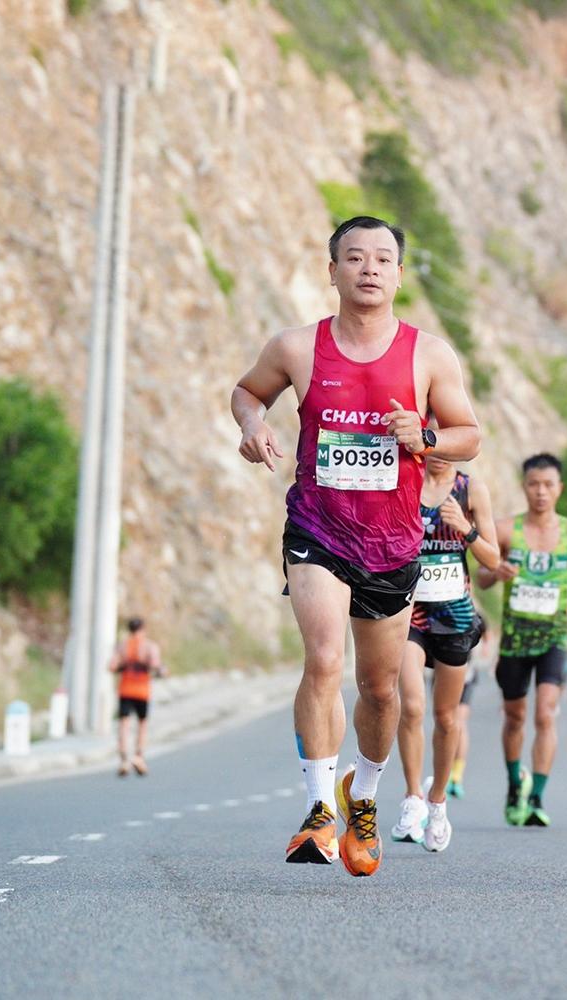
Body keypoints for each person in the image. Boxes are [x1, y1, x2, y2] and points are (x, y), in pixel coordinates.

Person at [231, 215, 481, 876]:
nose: (369, 268)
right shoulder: (297, 347)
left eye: (382, 259)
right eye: (355, 257)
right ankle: (318, 810)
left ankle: (361, 795)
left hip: (393, 543)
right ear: (333, 270)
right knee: (323, 659)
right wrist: (254, 426)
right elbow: (248, 392)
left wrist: (425, 437)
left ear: (399, 274)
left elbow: (469, 435)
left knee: (379, 689)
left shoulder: (429, 355)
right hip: (317, 527)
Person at [478, 453, 567, 828]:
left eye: (548, 485)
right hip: (515, 638)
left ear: (559, 488)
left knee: (545, 713)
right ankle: (516, 783)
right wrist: (496, 572)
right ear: (524, 487)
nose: (541, 492)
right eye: (534, 484)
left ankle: (537, 797)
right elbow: (481, 576)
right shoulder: (505, 531)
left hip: (554, 636)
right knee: (515, 717)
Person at [388, 457, 501, 851]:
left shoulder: (471, 490)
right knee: (411, 706)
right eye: (429, 438)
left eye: (446, 441)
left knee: (447, 717)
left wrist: (466, 529)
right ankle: (412, 798)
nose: (436, 449)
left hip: (454, 616)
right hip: (410, 613)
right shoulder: (405, 480)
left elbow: (493, 560)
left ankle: (437, 802)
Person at [108, 617, 164, 777]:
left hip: (125, 689)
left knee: (123, 724)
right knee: (142, 724)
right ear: (143, 629)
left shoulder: (122, 646)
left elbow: (112, 666)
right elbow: (155, 665)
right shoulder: (149, 646)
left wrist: (124, 666)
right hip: (142, 690)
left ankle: (124, 759)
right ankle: (139, 757)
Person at [447, 623, 494, 800]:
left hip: (466, 673)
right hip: (442, 670)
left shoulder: (474, 611)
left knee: (460, 723)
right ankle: (445, 774)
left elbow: (486, 631)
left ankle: (457, 776)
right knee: (445, 722)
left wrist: (486, 648)